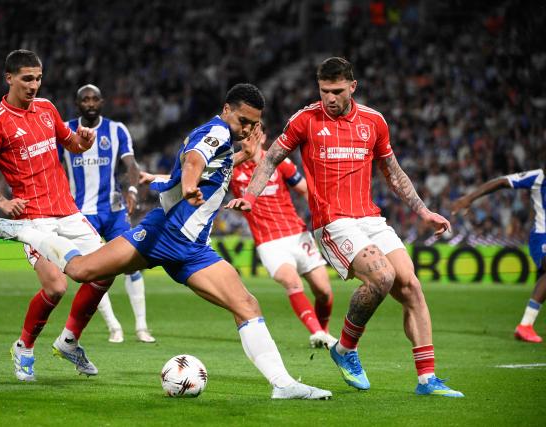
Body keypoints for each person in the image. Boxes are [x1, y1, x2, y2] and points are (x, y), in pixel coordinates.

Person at [0, 83, 332, 400]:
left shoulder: (228, 141)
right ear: (226, 110)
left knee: (247, 305)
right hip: (165, 234)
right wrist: (191, 184)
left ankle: (283, 385)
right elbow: (194, 160)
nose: (248, 129)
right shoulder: (215, 133)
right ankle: (25, 232)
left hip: (191, 249)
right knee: (81, 271)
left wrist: (241, 155)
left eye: (254, 124)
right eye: (243, 120)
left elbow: (214, 165)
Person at [226, 57, 464, 397]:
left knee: (410, 285)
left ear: (353, 86)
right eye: (324, 91)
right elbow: (271, 158)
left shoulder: (373, 121)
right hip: (332, 222)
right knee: (383, 276)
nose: (330, 98)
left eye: (337, 91)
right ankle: (347, 348)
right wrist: (250, 194)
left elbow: (393, 172)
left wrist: (424, 211)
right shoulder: (305, 120)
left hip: (369, 217)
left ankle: (427, 379)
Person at [0, 49, 111, 382]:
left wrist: (84, 141)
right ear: (9, 78)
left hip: (69, 212)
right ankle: (24, 347)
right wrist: (1, 201)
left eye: (38, 78)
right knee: (57, 286)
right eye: (27, 78)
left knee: (106, 271)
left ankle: (69, 341)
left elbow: (71, 144)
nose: (34, 85)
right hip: (34, 220)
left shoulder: (47, 108)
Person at [60, 84, 155, 344]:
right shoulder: (64, 130)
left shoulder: (116, 130)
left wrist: (133, 190)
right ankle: (114, 327)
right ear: (77, 104)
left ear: (102, 102)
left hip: (113, 210)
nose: (90, 103)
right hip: (81, 213)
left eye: (94, 99)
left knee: (131, 264)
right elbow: (53, 167)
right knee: (96, 272)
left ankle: (141, 327)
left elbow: (131, 165)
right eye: (85, 99)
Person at [230, 124, 336, 349]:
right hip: (269, 242)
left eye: (253, 135)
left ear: (263, 137)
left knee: (324, 292)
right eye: (244, 137)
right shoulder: (233, 171)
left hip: (297, 234)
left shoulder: (280, 163)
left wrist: (323, 219)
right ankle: (316, 331)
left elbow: (306, 190)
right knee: (292, 282)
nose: (247, 140)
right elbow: (200, 173)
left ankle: (323, 333)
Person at [451, 169, 546, 343]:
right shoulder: (538, 176)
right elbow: (502, 181)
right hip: (542, 237)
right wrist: (468, 198)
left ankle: (526, 325)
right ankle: (525, 326)